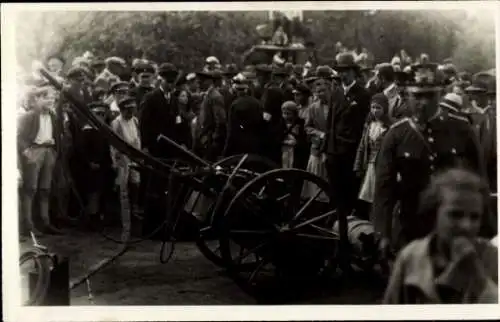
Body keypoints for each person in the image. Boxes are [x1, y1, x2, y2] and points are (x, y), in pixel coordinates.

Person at [371, 61, 486, 255]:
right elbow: (384, 188)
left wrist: (484, 232)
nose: (423, 102)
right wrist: (382, 233)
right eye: (417, 96)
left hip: (456, 230)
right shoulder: (397, 135)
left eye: (430, 96)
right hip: (411, 228)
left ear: (440, 94)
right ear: (407, 96)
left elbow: (479, 182)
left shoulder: (462, 129)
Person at [383, 168, 498, 304]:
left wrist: (477, 276)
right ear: (434, 213)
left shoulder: (491, 257)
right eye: (455, 215)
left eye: (475, 217)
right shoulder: (411, 257)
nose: (466, 226)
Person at [325, 52, 371, 221]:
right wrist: (327, 148)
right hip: (333, 150)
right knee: (334, 187)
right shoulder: (335, 93)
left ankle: (348, 222)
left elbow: (362, 127)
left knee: (350, 187)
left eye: (346, 71)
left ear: (353, 72)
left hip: (350, 150)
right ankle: (335, 219)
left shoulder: (363, 95)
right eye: (340, 71)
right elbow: (330, 122)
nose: (343, 74)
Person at [18, 85, 63, 237]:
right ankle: (28, 225)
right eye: (46, 97)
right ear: (37, 99)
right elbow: (19, 136)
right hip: (34, 151)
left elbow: (57, 135)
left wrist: (54, 151)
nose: (50, 101)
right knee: (30, 189)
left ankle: (45, 223)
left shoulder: (53, 116)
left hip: (48, 151)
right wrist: (27, 152)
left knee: (45, 189)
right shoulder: (29, 116)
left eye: (52, 98)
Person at [76, 102, 113, 230]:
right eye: (97, 114)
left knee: (100, 191)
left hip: (102, 166)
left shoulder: (102, 130)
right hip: (90, 167)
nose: (100, 117)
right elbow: (81, 150)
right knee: (92, 193)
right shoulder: (86, 131)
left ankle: (98, 215)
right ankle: (91, 217)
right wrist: (89, 163)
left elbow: (106, 149)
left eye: (102, 114)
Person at [353, 93, 391, 219]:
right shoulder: (369, 125)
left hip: (381, 166)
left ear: (384, 109)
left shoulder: (390, 127)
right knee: (367, 195)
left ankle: (378, 220)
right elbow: (362, 147)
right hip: (368, 165)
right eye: (373, 107)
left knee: (379, 195)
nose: (375, 111)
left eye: (378, 108)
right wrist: (358, 165)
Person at [110, 97, 141, 242]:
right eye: (128, 110)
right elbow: (113, 145)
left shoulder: (135, 120)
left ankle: (134, 221)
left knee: (135, 186)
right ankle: (125, 228)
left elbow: (138, 138)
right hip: (123, 159)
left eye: (132, 109)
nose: (130, 113)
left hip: (135, 158)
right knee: (124, 193)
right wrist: (115, 162)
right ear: (122, 110)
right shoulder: (116, 123)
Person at [303, 68, 336, 202]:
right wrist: (319, 134)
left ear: (329, 90)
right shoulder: (313, 108)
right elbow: (307, 127)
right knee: (315, 182)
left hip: (331, 150)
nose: (321, 94)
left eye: (323, 91)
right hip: (317, 149)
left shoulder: (336, 106)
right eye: (318, 92)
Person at [223, 76, 265, 157]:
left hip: (239, 146)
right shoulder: (257, 103)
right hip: (256, 144)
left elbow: (231, 130)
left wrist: (225, 152)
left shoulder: (235, 104)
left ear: (236, 91)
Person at [193, 69, 227, 161]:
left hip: (209, 141)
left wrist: (215, 140)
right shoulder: (206, 95)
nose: (198, 85)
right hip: (203, 139)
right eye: (198, 82)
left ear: (208, 82)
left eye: (200, 83)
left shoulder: (215, 97)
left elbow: (220, 121)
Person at [280, 101, 308, 170]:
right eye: (284, 113)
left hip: (296, 154)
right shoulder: (280, 123)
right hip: (283, 152)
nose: (286, 116)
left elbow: (304, 140)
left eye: (288, 114)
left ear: (295, 114)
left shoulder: (301, 123)